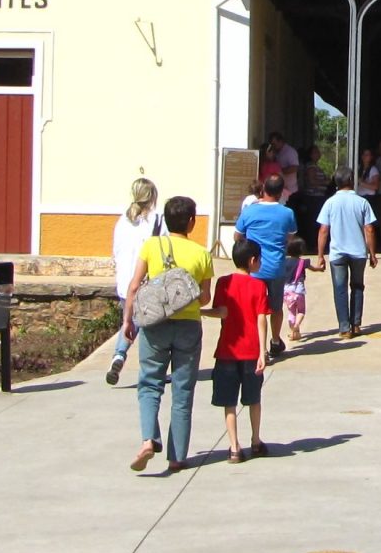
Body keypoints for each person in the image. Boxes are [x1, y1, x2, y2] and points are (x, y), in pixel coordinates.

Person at [123, 196, 215, 475]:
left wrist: (128, 320)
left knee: (150, 384)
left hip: (154, 325)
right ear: (191, 222)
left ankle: (149, 439)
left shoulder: (152, 245)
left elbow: (135, 286)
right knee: (183, 390)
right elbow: (205, 298)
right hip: (188, 326)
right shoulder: (202, 254)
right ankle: (177, 456)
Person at [209, 236, 274, 461]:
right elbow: (262, 320)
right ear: (253, 260)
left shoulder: (223, 283)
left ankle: (234, 446)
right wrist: (262, 351)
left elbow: (221, 312)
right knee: (253, 399)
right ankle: (256, 440)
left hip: (227, 350)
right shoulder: (259, 285)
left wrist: (199, 312)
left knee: (229, 401)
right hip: (250, 352)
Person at [234, 173, 298, 357]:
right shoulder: (287, 213)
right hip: (277, 267)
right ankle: (275, 341)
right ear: (280, 193)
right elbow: (290, 236)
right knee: (276, 307)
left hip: (254, 268)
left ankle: (257, 345)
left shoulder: (250, 211)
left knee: (255, 309)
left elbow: (237, 236)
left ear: (263, 190)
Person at [107, 178, 160, 395]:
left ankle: (119, 354)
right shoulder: (155, 221)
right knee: (151, 328)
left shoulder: (122, 222)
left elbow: (116, 252)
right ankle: (148, 366)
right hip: (145, 281)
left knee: (130, 321)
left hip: (124, 284)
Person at [314, 169, 378, 336]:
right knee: (357, 287)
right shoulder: (362, 202)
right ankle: (356, 324)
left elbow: (323, 230)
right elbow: (369, 229)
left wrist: (320, 255)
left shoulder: (330, 203)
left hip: (337, 254)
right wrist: (372, 253)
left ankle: (344, 328)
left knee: (340, 289)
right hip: (358, 253)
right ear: (351, 180)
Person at [281, 233, 309, 343]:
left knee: (291, 313)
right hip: (299, 291)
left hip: (287, 292)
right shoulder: (303, 262)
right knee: (301, 311)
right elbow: (313, 268)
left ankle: (293, 332)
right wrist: (319, 268)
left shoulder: (284, 262)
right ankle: (297, 325)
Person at [357, 146, 381, 250]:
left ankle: (369, 247)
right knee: (359, 224)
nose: (365, 157)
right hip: (359, 197)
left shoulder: (373, 170)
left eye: (368, 155)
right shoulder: (358, 168)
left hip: (369, 198)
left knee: (368, 225)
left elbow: (375, 186)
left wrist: (361, 183)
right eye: (364, 155)